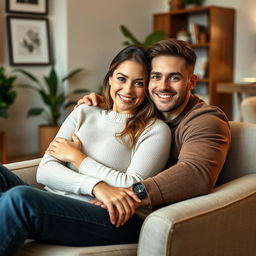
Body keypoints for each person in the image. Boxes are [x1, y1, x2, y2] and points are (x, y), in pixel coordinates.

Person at [0, 45, 172, 256]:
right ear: (109, 78)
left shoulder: (155, 130)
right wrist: (97, 186)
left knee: (20, 199)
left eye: (139, 83)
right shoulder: (84, 111)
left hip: (113, 217)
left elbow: (133, 186)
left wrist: (77, 158)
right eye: (121, 78)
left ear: (147, 88)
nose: (127, 90)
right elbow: (45, 171)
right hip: (53, 201)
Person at [77, 38, 231, 223]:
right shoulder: (148, 110)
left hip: (136, 212)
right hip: (98, 197)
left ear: (191, 82)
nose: (163, 86)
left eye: (174, 77)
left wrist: (130, 194)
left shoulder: (206, 121)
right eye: (156, 76)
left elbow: (195, 172)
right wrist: (104, 104)